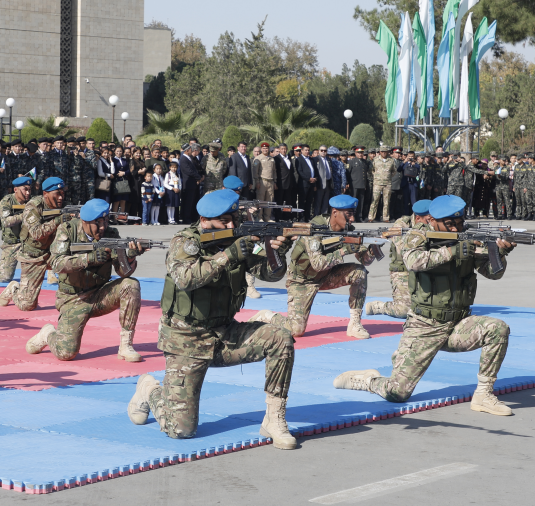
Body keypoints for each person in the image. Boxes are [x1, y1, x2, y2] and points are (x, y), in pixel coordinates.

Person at [125, 188, 298, 448]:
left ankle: (274, 418)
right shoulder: (185, 242)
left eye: (234, 219)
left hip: (224, 334)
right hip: (186, 341)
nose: (231, 225)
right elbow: (185, 279)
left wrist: (278, 251)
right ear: (205, 221)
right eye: (224, 221)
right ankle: (150, 391)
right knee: (181, 430)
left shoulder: (237, 238)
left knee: (280, 338)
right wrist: (228, 255)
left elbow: (269, 275)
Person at [333, 194, 517, 416]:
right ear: (432, 221)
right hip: (424, 326)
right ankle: (368, 380)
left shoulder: (468, 238)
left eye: (459, 223)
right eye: (449, 224)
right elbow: (413, 261)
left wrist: (500, 252)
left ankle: (484, 394)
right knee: (397, 393)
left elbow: (492, 273)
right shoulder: (416, 235)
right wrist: (453, 251)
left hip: (459, 323)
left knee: (498, 329)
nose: (456, 228)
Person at [27, 198, 144, 362]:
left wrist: (130, 257)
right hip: (72, 299)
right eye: (98, 223)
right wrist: (89, 259)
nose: (103, 227)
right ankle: (48, 334)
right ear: (85, 221)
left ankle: (126, 345)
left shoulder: (111, 234)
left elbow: (123, 272)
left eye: (105, 222)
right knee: (66, 353)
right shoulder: (67, 231)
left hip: (99, 295)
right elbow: (57, 263)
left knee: (131, 285)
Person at [252, 193, 375, 339]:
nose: (352, 219)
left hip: (326, 276)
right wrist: (343, 251)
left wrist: (373, 250)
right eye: (348, 214)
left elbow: (364, 260)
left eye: (353, 214)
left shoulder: (348, 230)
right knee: (296, 331)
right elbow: (317, 264)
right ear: (335, 213)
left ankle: (355, 324)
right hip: (302, 280)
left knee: (360, 272)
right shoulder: (314, 229)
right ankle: (266, 316)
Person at [0, 176, 65, 312]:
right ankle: (14, 289)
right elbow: (36, 233)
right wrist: (58, 221)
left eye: (63, 193)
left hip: (52, 254)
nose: (61, 197)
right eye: (57, 194)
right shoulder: (34, 206)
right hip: (33, 256)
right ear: (45, 194)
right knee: (27, 305)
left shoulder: (62, 206)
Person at [365, 198, 430, 319]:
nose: (431, 223)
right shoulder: (401, 226)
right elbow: (405, 252)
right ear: (417, 219)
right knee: (403, 310)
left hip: (425, 268)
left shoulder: (433, 226)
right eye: (428, 220)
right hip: (403, 270)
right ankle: (380, 306)